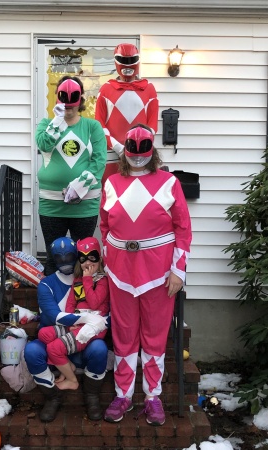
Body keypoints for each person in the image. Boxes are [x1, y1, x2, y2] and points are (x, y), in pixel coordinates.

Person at [99, 124, 192, 426]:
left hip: (159, 273)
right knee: (124, 337)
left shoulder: (169, 182)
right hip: (121, 272)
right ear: (125, 152)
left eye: (143, 150)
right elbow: (105, 224)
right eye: (132, 150)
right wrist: (109, 258)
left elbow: (182, 228)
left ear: (152, 151)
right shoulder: (111, 182)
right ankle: (123, 394)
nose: (137, 156)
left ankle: (153, 396)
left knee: (154, 337)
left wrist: (178, 270)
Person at [24, 237, 109, 422]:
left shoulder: (97, 279)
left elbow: (105, 309)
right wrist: (89, 318)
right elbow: (56, 316)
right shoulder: (47, 284)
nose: (65, 261)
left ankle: (91, 397)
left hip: (84, 337)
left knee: (99, 349)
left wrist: (99, 320)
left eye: (70, 255)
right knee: (32, 350)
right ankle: (52, 396)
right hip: (59, 332)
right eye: (59, 257)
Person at [36, 75, 107, 275]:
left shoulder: (93, 127)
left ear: (81, 98)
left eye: (73, 97)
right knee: (53, 257)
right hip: (52, 204)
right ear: (57, 97)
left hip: (84, 205)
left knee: (83, 258)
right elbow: (43, 144)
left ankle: (80, 304)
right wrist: (57, 120)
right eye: (63, 97)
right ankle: (53, 303)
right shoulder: (46, 124)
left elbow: (99, 161)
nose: (68, 103)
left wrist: (79, 186)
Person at [38, 236, 110, 391]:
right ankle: (68, 366)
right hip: (77, 323)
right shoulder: (78, 279)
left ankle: (72, 380)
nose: (88, 263)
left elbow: (94, 302)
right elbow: (71, 302)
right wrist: (71, 323)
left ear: (100, 258)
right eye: (83, 259)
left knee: (54, 349)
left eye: (93, 257)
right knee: (44, 334)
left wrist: (88, 279)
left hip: (92, 328)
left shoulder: (102, 280)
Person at [95, 43, 159, 185]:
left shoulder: (149, 89)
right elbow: (99, 124)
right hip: (112, 153)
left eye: (131, 61)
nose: (128, 65)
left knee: (143, 191)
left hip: (141, 152)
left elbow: (153, 125)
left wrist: (140, 145)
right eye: (123, 60)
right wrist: (118, 148)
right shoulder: (106, 89)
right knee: (111, 193)